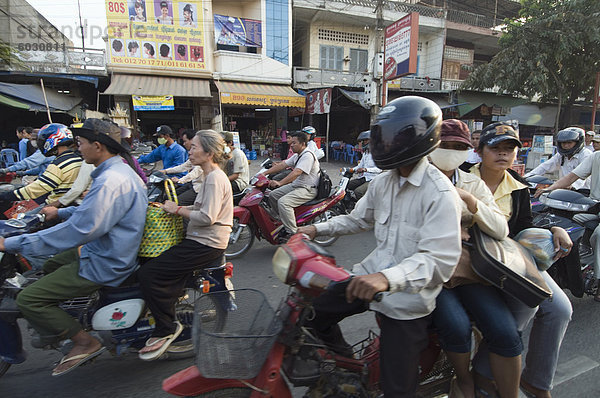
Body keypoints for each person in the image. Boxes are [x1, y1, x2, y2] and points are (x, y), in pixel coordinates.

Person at [297, 96, 462, 397]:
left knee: (397, 389)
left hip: (407, 304)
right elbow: (358, 220)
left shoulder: (440, 193)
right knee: (308, 316)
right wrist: (314, 228)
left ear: (419, 138)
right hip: (366, 278)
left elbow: (440, 261)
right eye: (383, 138)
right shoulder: (383, 182)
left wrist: (387, 279)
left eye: (395, 137)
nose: (386, 145)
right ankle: (349, 368)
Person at [3, 118, 147, 376]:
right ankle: (67, 317)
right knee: (48, 265)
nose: (78, 149)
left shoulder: (111, 179)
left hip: (105, 260)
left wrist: (12, 243)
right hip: (103, 248)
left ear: (98, 146)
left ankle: (84, 341)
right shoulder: (116, 172)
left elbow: (78, 231)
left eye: (80, 143)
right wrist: (60, 212)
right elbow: (91, 213)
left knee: (29, 298)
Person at [473, 122, 573, 398]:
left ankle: (537, 382)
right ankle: (482, 373)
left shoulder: (519, 188)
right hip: (475, 261)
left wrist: (554, 229)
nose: (503, 154)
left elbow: (523, 227)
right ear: (480, 150)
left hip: (511, 260)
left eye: (509, 149)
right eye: (496, 148)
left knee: (560, 310)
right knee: (521, 309)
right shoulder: (461, 178)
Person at [430, 119, 523, 398]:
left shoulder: (473, 183)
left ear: (467, 150)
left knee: (506, 332)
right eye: (444, 145)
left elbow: (500, 228)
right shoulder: (417, 178)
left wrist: (470, 201)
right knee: (456, 327)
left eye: (458, 146)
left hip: (469, 271)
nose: (450, 151)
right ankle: (465, 379)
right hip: (432, 272)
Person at [137, 130, 232, 361]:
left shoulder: (214, 178)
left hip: (206, 243)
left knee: (148, 274)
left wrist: (177, 209)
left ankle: (166, 328)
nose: (189, 150)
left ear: (209, 153)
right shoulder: (206, 174)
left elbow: (208, 217)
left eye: (194, 147)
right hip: (199, 238)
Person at [537, 142, 600, 304]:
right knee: (564, 222)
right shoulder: (595, 157)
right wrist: (549, 189)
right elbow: (571, 177)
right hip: (594, 206)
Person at [0, 123, 82, 205]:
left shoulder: (58, 164)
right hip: (63, 198)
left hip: (54, 203)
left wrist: (6, 195)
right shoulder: (75, 158)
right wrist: (21, 173)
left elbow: (35, 190)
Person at [261, 131, 319, 237]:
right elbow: (283, 164)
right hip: (296, 186)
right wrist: (264, 173)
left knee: (283, 203)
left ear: (302, 144)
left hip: (307, 189)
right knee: (272, 195)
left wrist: (280, 182)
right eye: (291, 143)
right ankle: (283, 219)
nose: (291, 145)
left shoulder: (307, 156)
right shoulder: (297, 155)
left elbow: (296, 172)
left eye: (294, 143)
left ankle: (293, 233)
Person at [524, 127, 592, 191]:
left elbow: (581, 178)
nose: (565, 146)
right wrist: (526, 178)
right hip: (564, 190)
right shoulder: (561, 155)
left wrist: (570, 185)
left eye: (569, 143)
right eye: (563, 143)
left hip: (584, 192)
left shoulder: (586, 155)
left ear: (578, 142)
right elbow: (545, 167)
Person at [159, 129, 203, 206]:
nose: (184, 144)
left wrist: (180, 180)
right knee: (170, 196)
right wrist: (165, 171)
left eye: (185, 141)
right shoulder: (192, 154)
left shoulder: (202, 155)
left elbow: (196, 172)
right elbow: (183, 166)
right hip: (192, 184)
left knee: (176, 203)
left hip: (199, 188)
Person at [346, 130, 381, 200]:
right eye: (363, 141)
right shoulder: (365, 153)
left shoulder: (377, 153)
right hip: (364, 177)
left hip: (373, 179)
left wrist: (366, 169)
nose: (364, 142)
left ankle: (364, 207)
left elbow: (379, 169)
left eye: (366, 140)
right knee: (347, 185)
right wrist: (351, 169)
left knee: (358, 192)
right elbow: (360, 166)